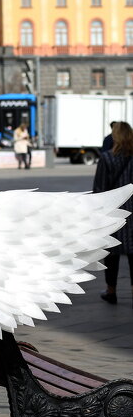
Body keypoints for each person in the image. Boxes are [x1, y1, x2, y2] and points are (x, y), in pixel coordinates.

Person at [93, 120, 133, 306]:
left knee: (111, 251)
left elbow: (100, 189)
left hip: (114, 211)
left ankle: (111, 291)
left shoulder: (107, 158)